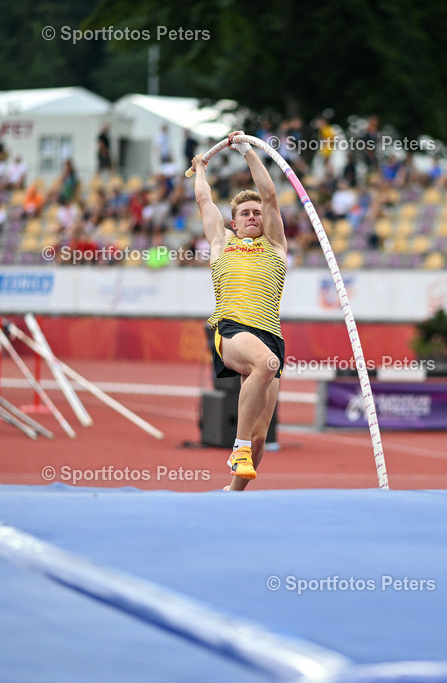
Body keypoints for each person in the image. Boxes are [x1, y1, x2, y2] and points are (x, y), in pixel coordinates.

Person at [192, 131, 286, 491]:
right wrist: (201, 167)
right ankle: (238, 447)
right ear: (234, 222)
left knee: (261, 436)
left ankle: (232, 493)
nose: (252, 216)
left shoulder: (275, 246)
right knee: (266, 364)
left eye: (256, 213)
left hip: (270, 335)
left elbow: (270, 195)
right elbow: (204, 200)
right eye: (245, 213)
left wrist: (247, 151)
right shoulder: (222, 243)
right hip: (232, 329)